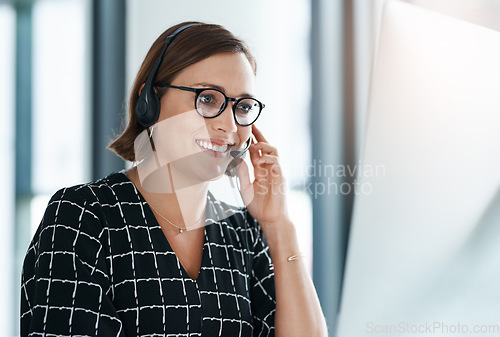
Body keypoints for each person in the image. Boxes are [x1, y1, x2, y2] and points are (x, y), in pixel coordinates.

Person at [21, 22, 328, 336]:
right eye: (208, 99)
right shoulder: (83, 215)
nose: (229, 126)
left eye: (243, 106)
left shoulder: (245, 234)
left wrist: (279, 226)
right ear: (150, 102)